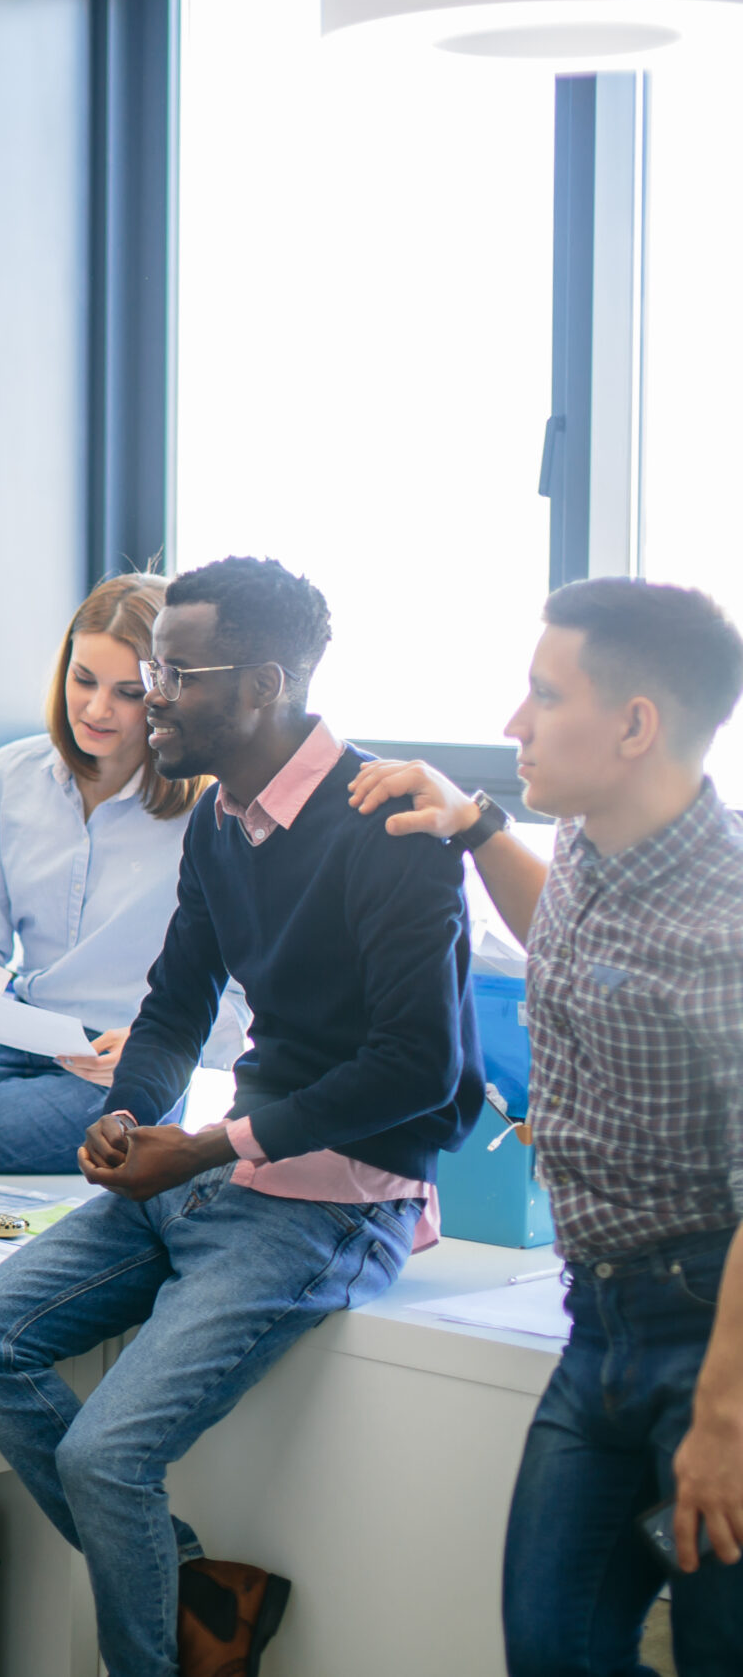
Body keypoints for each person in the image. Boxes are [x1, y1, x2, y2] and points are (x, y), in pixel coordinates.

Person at [0, 557, 481, 1677]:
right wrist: (131, 1113)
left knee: (104, 1458)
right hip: (218, 1174)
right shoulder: (223, 824)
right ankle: (193, 1590)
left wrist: (213, 1142)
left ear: (262, 686)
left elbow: (418, 1069)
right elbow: (177, 1001)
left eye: (173, 676)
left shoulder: (385, 825)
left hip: (331, 1201)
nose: (147, 700)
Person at [347, 578, 743, 1676]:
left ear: (634, 725)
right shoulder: (589, 851)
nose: (511, 725)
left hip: (714, 1338)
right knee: (552, 1648)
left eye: (541, 695)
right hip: (601, 1327)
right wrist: (477, 830)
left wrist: (724, 1420)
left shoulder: (727, 922)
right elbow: (573, 956)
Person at [0, 573, 240, 1175]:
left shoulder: (210, 809)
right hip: (20, 1050)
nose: (96, 709)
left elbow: (241, 986)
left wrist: (162, 1045)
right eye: (83, 680)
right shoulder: (10, 776)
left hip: (128, 1078)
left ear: (164, 694)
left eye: (127, 691)